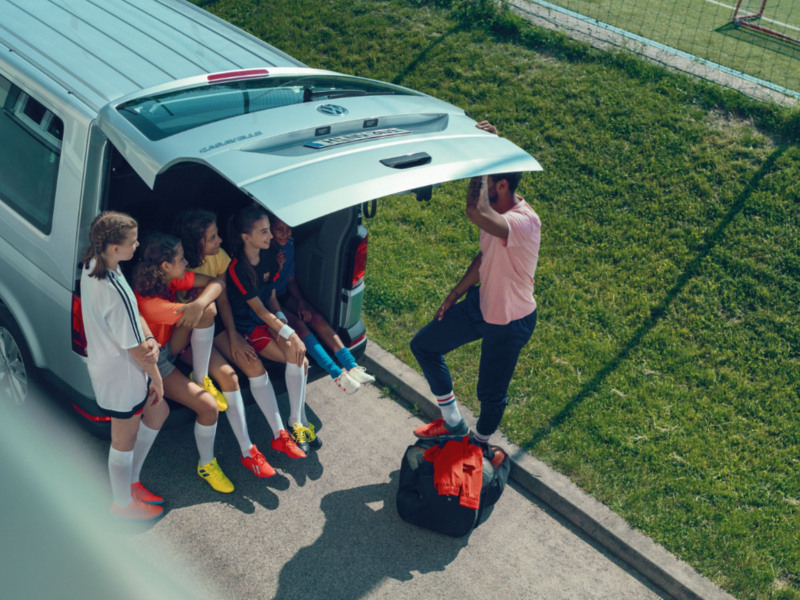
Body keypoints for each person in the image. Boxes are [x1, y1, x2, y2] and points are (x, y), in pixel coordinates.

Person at [410, 121, 540, 452]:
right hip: (480, 304)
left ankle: (477, 445)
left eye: (486, 182)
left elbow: (474, 209)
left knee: (490, 395)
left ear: (500, 185)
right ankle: (453, 424)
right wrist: (454, 294)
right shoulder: (496, 213)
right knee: (424, 345)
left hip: (509, 322)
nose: (481, 191)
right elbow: (484, 258)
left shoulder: (523, 222)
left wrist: (484, 155)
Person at [171, 209, 278, 477]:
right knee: (229, 377)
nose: (220, 241)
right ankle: (247, 450)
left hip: (213, 327)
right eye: (212, 237)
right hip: (185, 338)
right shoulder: (176, 267)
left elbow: (223, 300)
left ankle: (276, 436)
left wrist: (234, 336)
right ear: (196, 243)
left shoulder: (218, 258)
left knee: (250, 361)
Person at [133, 232, 239, 492]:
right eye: (181, 259)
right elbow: (213, 289)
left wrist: (199, 302)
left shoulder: (171, 278)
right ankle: (207, 464)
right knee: (209, 407)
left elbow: (216, 283)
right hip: (152, 364)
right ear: (166, 266)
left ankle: (200, 376)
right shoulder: (151, 304)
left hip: (168, 347)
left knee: (207, 309)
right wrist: (198, 306)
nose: (186, 263)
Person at [79, 211, 168, 520]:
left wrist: (146, 336)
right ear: (114, 247)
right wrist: (156, 377)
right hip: (123, 376)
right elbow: (136, 348)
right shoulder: (112, 286)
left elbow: (134, 326)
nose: (137, 245)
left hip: (114, 369)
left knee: (159, 412)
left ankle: (130, 483)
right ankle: (122, 504)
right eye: (132, 241)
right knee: (123, 440)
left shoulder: (94, 264)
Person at [225, 205, 315, 455]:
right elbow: (258, 310)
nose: (270, 236)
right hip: (248, 325)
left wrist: (282, 323)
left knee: (300, 360)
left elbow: (272, 299)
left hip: (268, 319)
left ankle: (297, 421)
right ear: (246, 237)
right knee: (299, 360)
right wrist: (291, 334)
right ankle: (297, 423)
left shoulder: (271, 255)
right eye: (264, 232)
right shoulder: (237, 269)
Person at [270, 214, 375, 394]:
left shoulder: (288, 245)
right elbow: (264, 290)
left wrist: (302, 302)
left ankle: (351, 365)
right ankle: (336, 374)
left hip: (283, 293)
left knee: (315, 317)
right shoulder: (263, 252)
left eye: (288, 228)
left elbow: (291, 280)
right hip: (268, 300)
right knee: (298, 326)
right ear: (269, 230)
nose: (285, 234)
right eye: (279, 229)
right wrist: (275, 269)